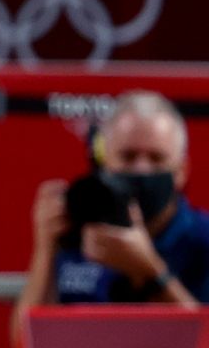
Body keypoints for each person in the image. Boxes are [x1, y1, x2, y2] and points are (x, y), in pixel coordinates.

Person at [17, 90, 209, 327]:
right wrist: (45, 251)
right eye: (128, 157)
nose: (142, 170)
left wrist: (152, 274)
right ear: (103, 161)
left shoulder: (203, 239)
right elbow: (26, 344)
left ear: (181, 171)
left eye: (156, 158)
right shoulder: (77, 228)